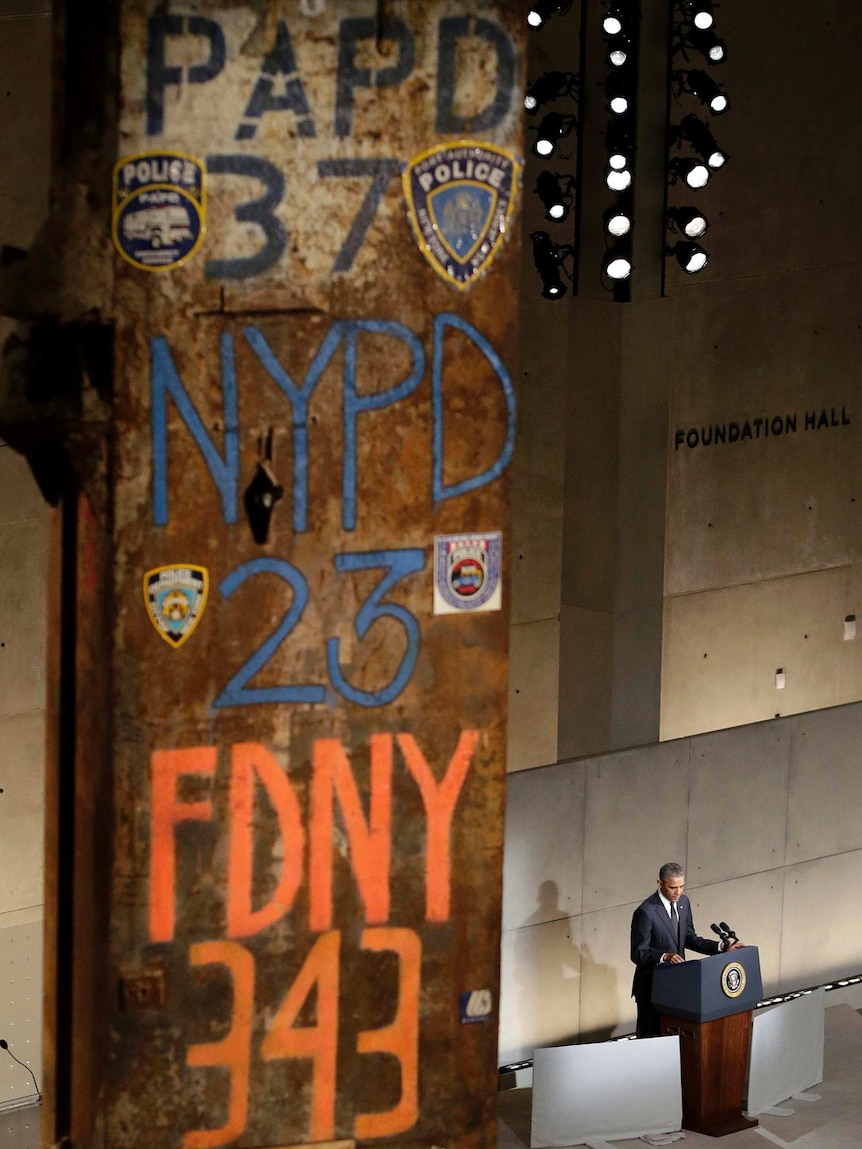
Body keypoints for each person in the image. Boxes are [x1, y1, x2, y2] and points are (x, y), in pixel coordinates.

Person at [630, 861, 744, 1038]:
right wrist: (665, 956)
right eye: (673, 887)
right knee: (652, 1037)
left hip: (678, 984)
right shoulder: (646, 912)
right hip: (652, 987)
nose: (678, 892)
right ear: (660, 884)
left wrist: (722, 947)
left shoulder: (684, 903)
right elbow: (638, 953)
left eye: (682, 886)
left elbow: (689, 938)